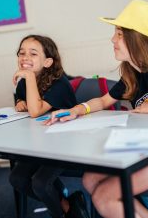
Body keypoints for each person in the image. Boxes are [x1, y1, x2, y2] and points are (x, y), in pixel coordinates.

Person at [45, 0, 148, 218]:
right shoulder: (133, 73)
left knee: (104, 197)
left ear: (138, 40)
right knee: (90, 179)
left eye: (119, 34)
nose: (112, 39)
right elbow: (104, 101)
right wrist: (77, 109)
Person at [9, 34, 89, 218]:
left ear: (47, 62)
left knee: (40, 183)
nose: (25, 57)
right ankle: (67, 206)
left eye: (33, 53)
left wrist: (28, 77)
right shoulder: (25, 83)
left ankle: (61, 213)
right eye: (21, 53)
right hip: (42, 143)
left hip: (67, 143)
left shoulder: (59, 83)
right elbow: (28, 103)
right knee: (17, 178)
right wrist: (21, 101)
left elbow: (36, 111)